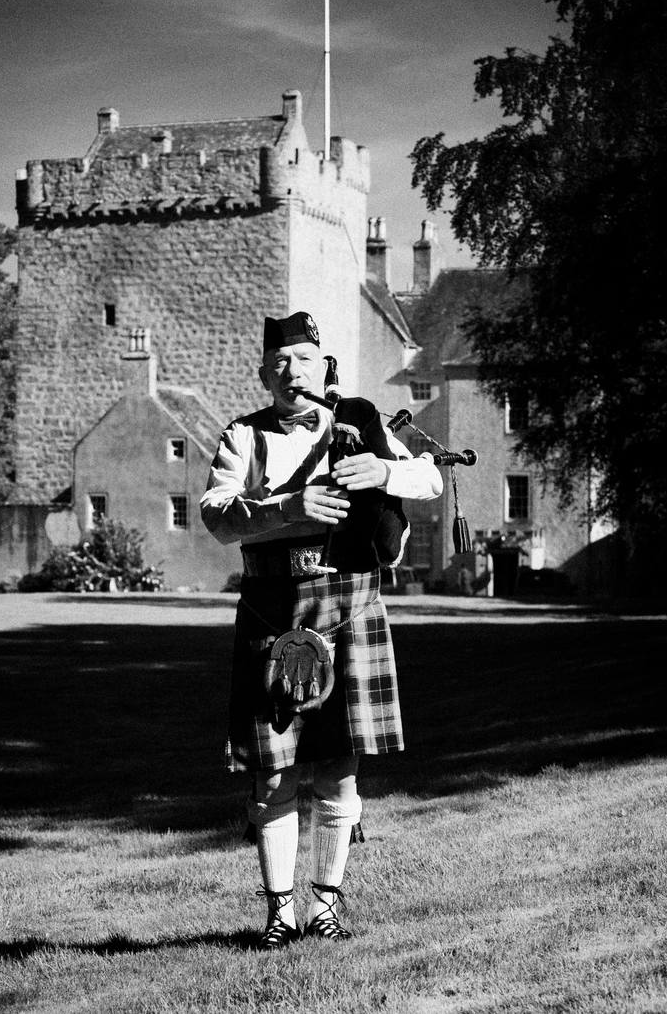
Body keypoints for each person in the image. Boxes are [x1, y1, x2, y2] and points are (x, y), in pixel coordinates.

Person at [200, 311, 443, 950]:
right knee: (274, 769)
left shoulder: (358, 422)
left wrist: (384, 472)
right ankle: (281, 911)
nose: (291, 372)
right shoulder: (243, 437)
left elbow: (431, 476)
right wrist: (285, 506)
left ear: (322, 365)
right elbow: (217, 516)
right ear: (263, 372)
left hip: (351, 601)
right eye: (279, 363)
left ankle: (326, 906)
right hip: (271, 607)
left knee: (339, 764)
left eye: (303, 360)